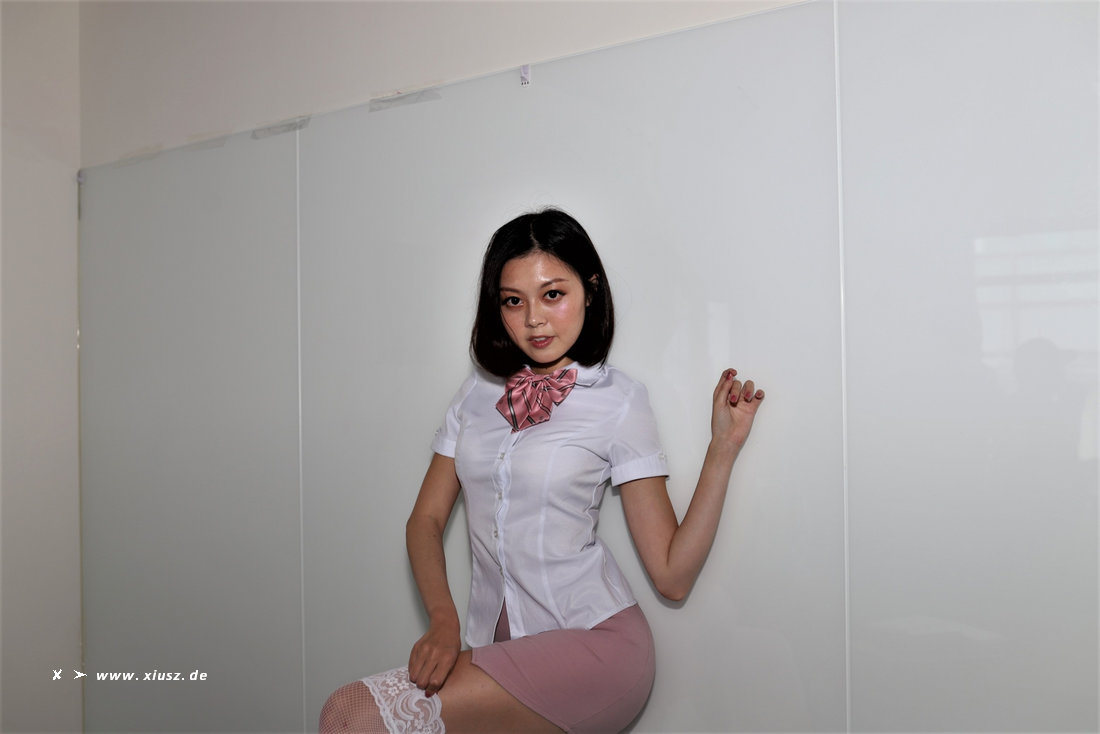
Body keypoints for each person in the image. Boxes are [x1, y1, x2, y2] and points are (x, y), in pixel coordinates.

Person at [319, 208, 765, 734]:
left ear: (590, 290)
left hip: (597, 646)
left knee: (349, 714)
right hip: (498, 644)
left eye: (553, 294)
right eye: (514, 300)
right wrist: (443, 619)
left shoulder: (619, 400)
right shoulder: (475, 393)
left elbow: (672, 574)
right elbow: (425, 521)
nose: (533, 319)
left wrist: (722, 449)